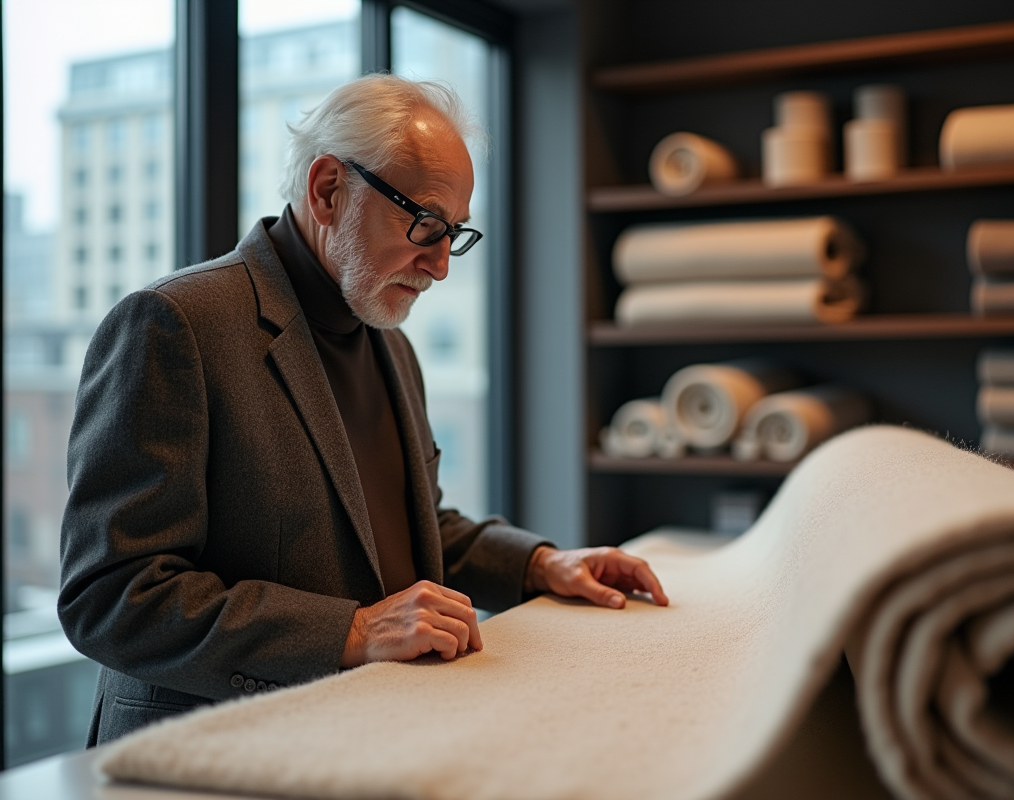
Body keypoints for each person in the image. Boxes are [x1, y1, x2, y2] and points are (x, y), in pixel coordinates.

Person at [58, 75, 668, 746]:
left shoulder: (390, 342)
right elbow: (113, 597)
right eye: (427, 225)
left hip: (363, 741)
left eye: (455, 235)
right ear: (327, 189)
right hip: (202, 759)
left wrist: (541, 565)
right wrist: (351, 631)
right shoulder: (172, 324)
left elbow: (412, 528)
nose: (440, 266)